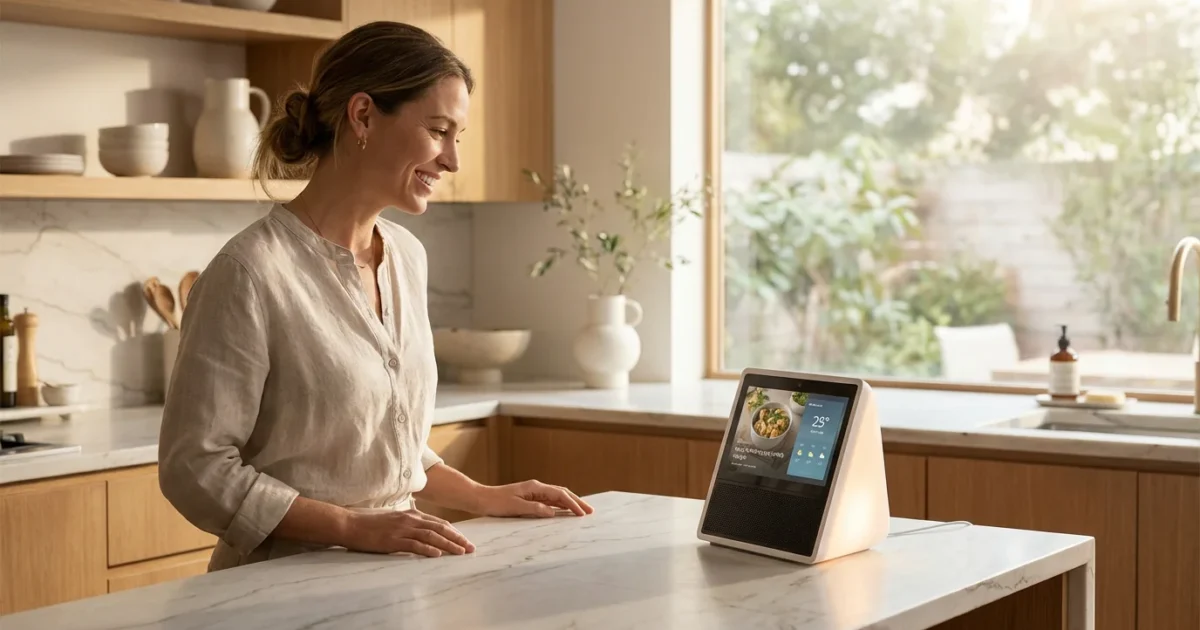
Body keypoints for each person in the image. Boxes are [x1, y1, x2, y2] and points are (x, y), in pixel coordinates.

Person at [158, 21, 593, 572]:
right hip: (278, 588)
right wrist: (347, 526)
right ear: (363, 115)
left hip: (392, 576)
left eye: (458, 137)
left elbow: (382, 448)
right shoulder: (249, 272)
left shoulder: (407, 257)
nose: (452, 160)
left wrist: (486, 497)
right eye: (438, 131)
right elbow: (194, 467)